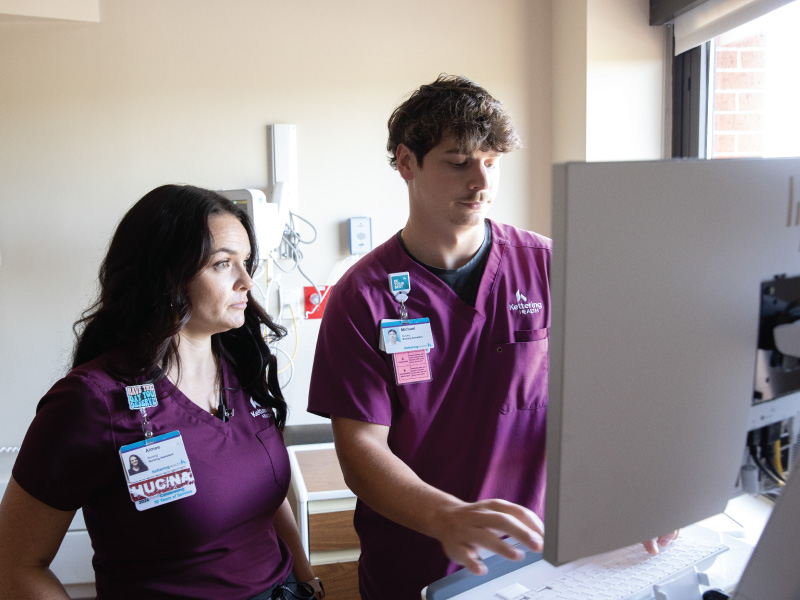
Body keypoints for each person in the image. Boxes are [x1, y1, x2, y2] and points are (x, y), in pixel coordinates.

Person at [307, 74, 678, 599]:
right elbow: (361, 449)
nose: (481, 182)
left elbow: (615, 394)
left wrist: (643, 488)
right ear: (406, 162)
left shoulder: (551, 265)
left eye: (492, 161)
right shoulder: (361, 297)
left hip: (544, 552)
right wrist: (446, 516)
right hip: (420, 558)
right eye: (458, 162)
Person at [0, 185, 324, 600]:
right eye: (224, 264)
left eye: (246, 263)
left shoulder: (243, 371)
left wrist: (306, 575)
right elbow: (16, 564)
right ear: (166, 276)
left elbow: (258, 492)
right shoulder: (91, 401)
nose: (247, 281)